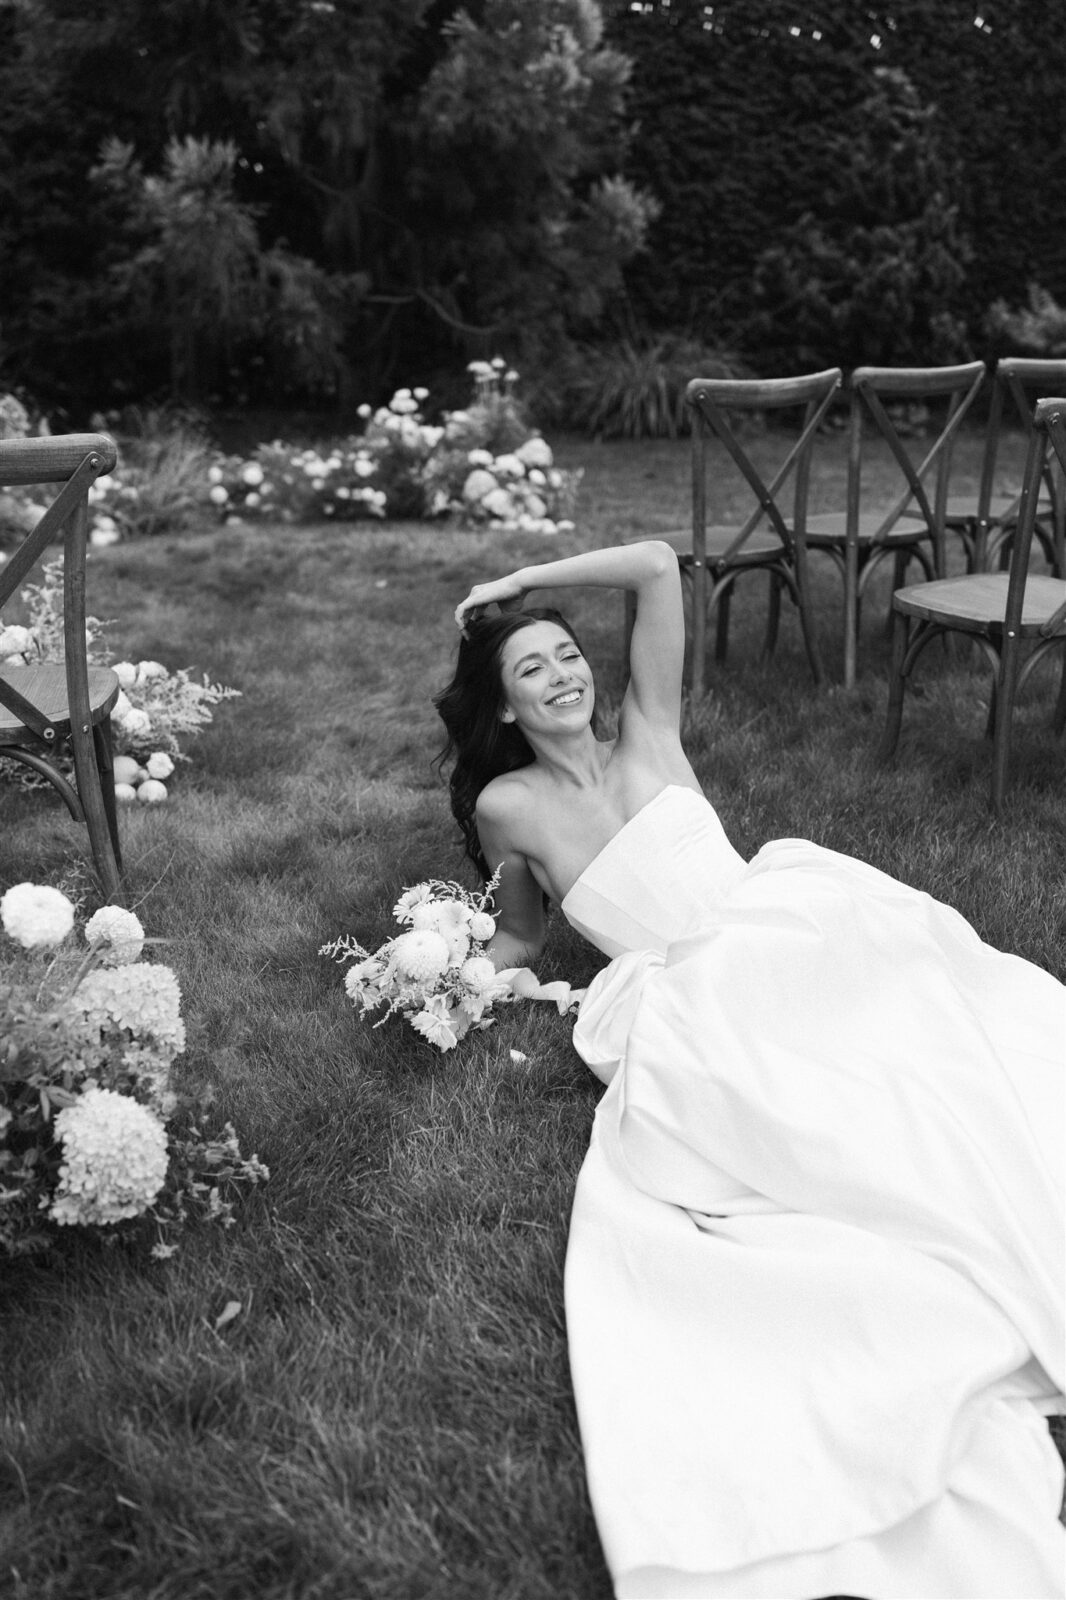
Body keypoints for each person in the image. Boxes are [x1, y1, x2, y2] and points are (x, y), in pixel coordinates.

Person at [436, 542, 1066, 1600]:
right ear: (503, 706)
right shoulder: (507, 805)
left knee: (942, 1050)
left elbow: (654, 568)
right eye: (531, 668)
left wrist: (513, 586)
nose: (563, 675)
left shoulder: (650, 731)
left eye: (567, 654)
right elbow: (523, 933)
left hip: (784, 925)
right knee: (822, 1112)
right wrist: (445, 977)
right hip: (688, 993)